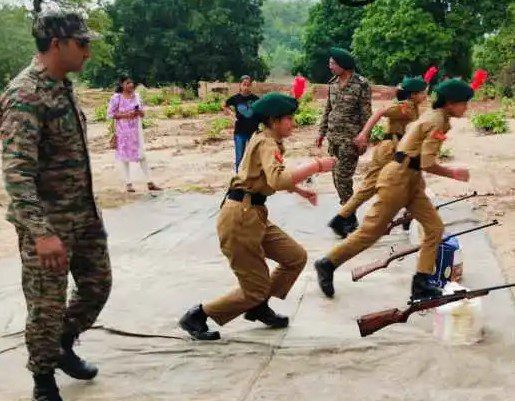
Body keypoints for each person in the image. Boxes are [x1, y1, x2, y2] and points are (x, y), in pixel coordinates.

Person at [0, 8, 112, 401]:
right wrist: (41, 232)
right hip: (48, 225)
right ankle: (43, 380)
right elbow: (16, 173)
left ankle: (62, 344)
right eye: (81, 44)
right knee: (46, 305)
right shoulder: (25, 95)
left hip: (83, 215)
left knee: (97, 286)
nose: (87, 52)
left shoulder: (62, 86)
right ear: (56, 44)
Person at [179, 93, 336, 340]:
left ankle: (258, 306)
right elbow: (277, 179)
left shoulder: (266, 139)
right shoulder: (266, 143)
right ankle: (199, 315)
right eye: (288, 119)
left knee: (295, 258)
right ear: (274, 121)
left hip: (253, 213)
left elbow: (265, 178)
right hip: (240, 217)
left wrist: (299, 190)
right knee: (255, 288)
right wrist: (316, 166)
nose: (293, 123)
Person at [314, 79, 473, 300]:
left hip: (411, 180)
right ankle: (328, 263)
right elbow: (427, 162)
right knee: (370, 232)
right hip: (397, 179)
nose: (466, 107)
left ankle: (421, 282)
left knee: (434, 228)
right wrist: (452, 173)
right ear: (451, 103)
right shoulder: (436, 121)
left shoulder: (435, 116)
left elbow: (415, 147)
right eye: (464, 103)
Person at [328, 76, 428, 237]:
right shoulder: (405, 107)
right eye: (423, 92)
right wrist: (363, 134)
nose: (425, 95)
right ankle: (340, 218)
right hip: (390, 151)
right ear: (413, 95)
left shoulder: (413, 107)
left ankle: (409, 215)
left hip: (399, 150)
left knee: (412, 182)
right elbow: (381, 112)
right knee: (371, 186)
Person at [316, 47, 372, 231]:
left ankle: (349, 216)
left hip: (351, 140)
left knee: (343, 177)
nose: (330, 66)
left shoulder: (361, 84)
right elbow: (328, 110)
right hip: (333, 138)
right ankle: (347, 213)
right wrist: (321, 132)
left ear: (343, 64)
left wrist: (365, 138)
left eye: (333, 63)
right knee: (335, 177)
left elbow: (367, 114)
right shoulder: (332, 84)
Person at [108, 75, 161, 193]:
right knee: (124, 157)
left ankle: (150, 182)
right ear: (122, 85)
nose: (130, 85)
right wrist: (126, 115)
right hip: (123, 131)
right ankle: (128, 183)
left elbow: (142, 114)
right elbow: (110, 114)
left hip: (136, 131)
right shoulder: (117, 98)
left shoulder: (136, 96)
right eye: (127, 83)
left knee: (142, 155)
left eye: (131, 82)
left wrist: (139, 112)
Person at [223, 75, 260, 172]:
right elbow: (225, 105)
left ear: (251, 86)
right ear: (240, 85)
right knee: (239, 156)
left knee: (254, 155)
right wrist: (231, 114)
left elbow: (262, 110)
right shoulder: (236, 98)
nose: (246, 87)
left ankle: (252, 175)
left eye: (248, 85)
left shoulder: (256, 99)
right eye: (244, 84)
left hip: (253, 132)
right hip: (240, 132)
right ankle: (238, 174)